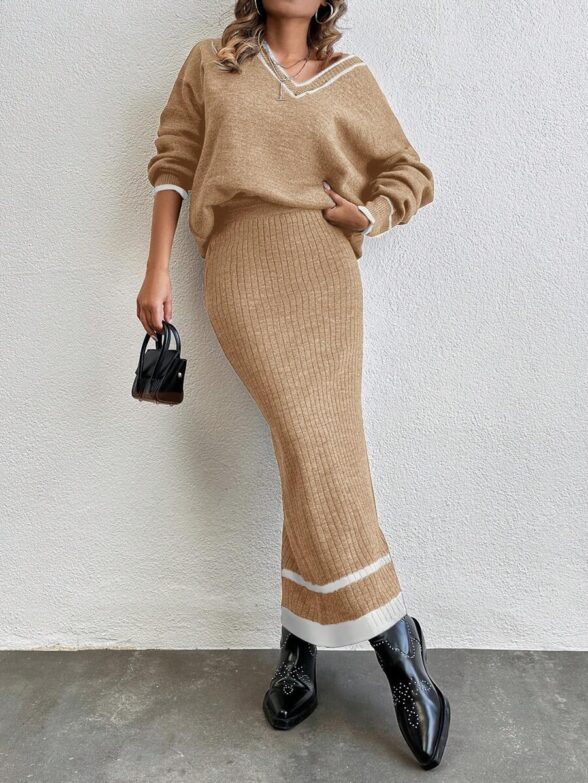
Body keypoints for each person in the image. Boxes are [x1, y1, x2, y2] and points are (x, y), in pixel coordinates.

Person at [137, 0, 450, 769]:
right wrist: (156, 269)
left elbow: (410, 173)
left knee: (308, 450)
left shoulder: (349, 79)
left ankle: (299, 647)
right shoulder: (211, 64)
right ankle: (397, 642)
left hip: (324, 274)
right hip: (242, 272)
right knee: (310, 445)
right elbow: (174, 161)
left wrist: (370, 214)